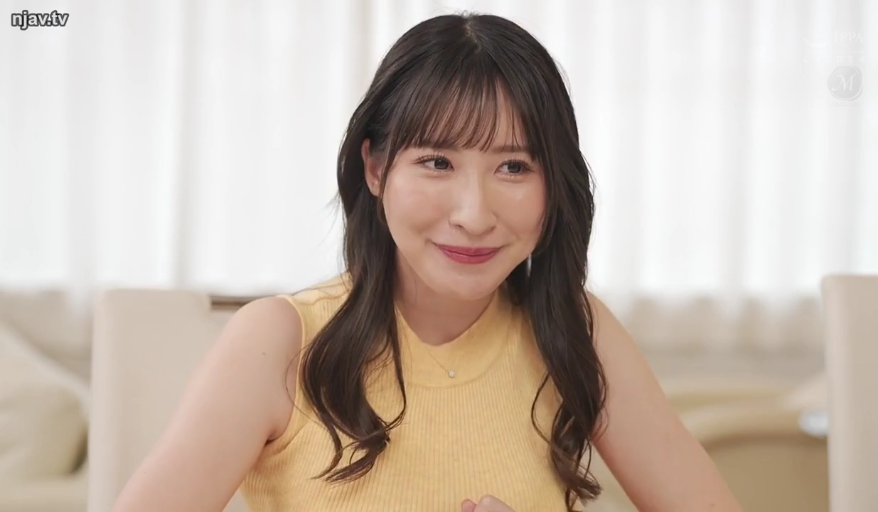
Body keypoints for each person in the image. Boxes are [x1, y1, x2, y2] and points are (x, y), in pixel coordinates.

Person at [112, 12, 742, 512]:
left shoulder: (578, 332)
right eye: (437, 162)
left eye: (513, 167)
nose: (473, 213)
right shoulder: (281, 342)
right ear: (375, 168)